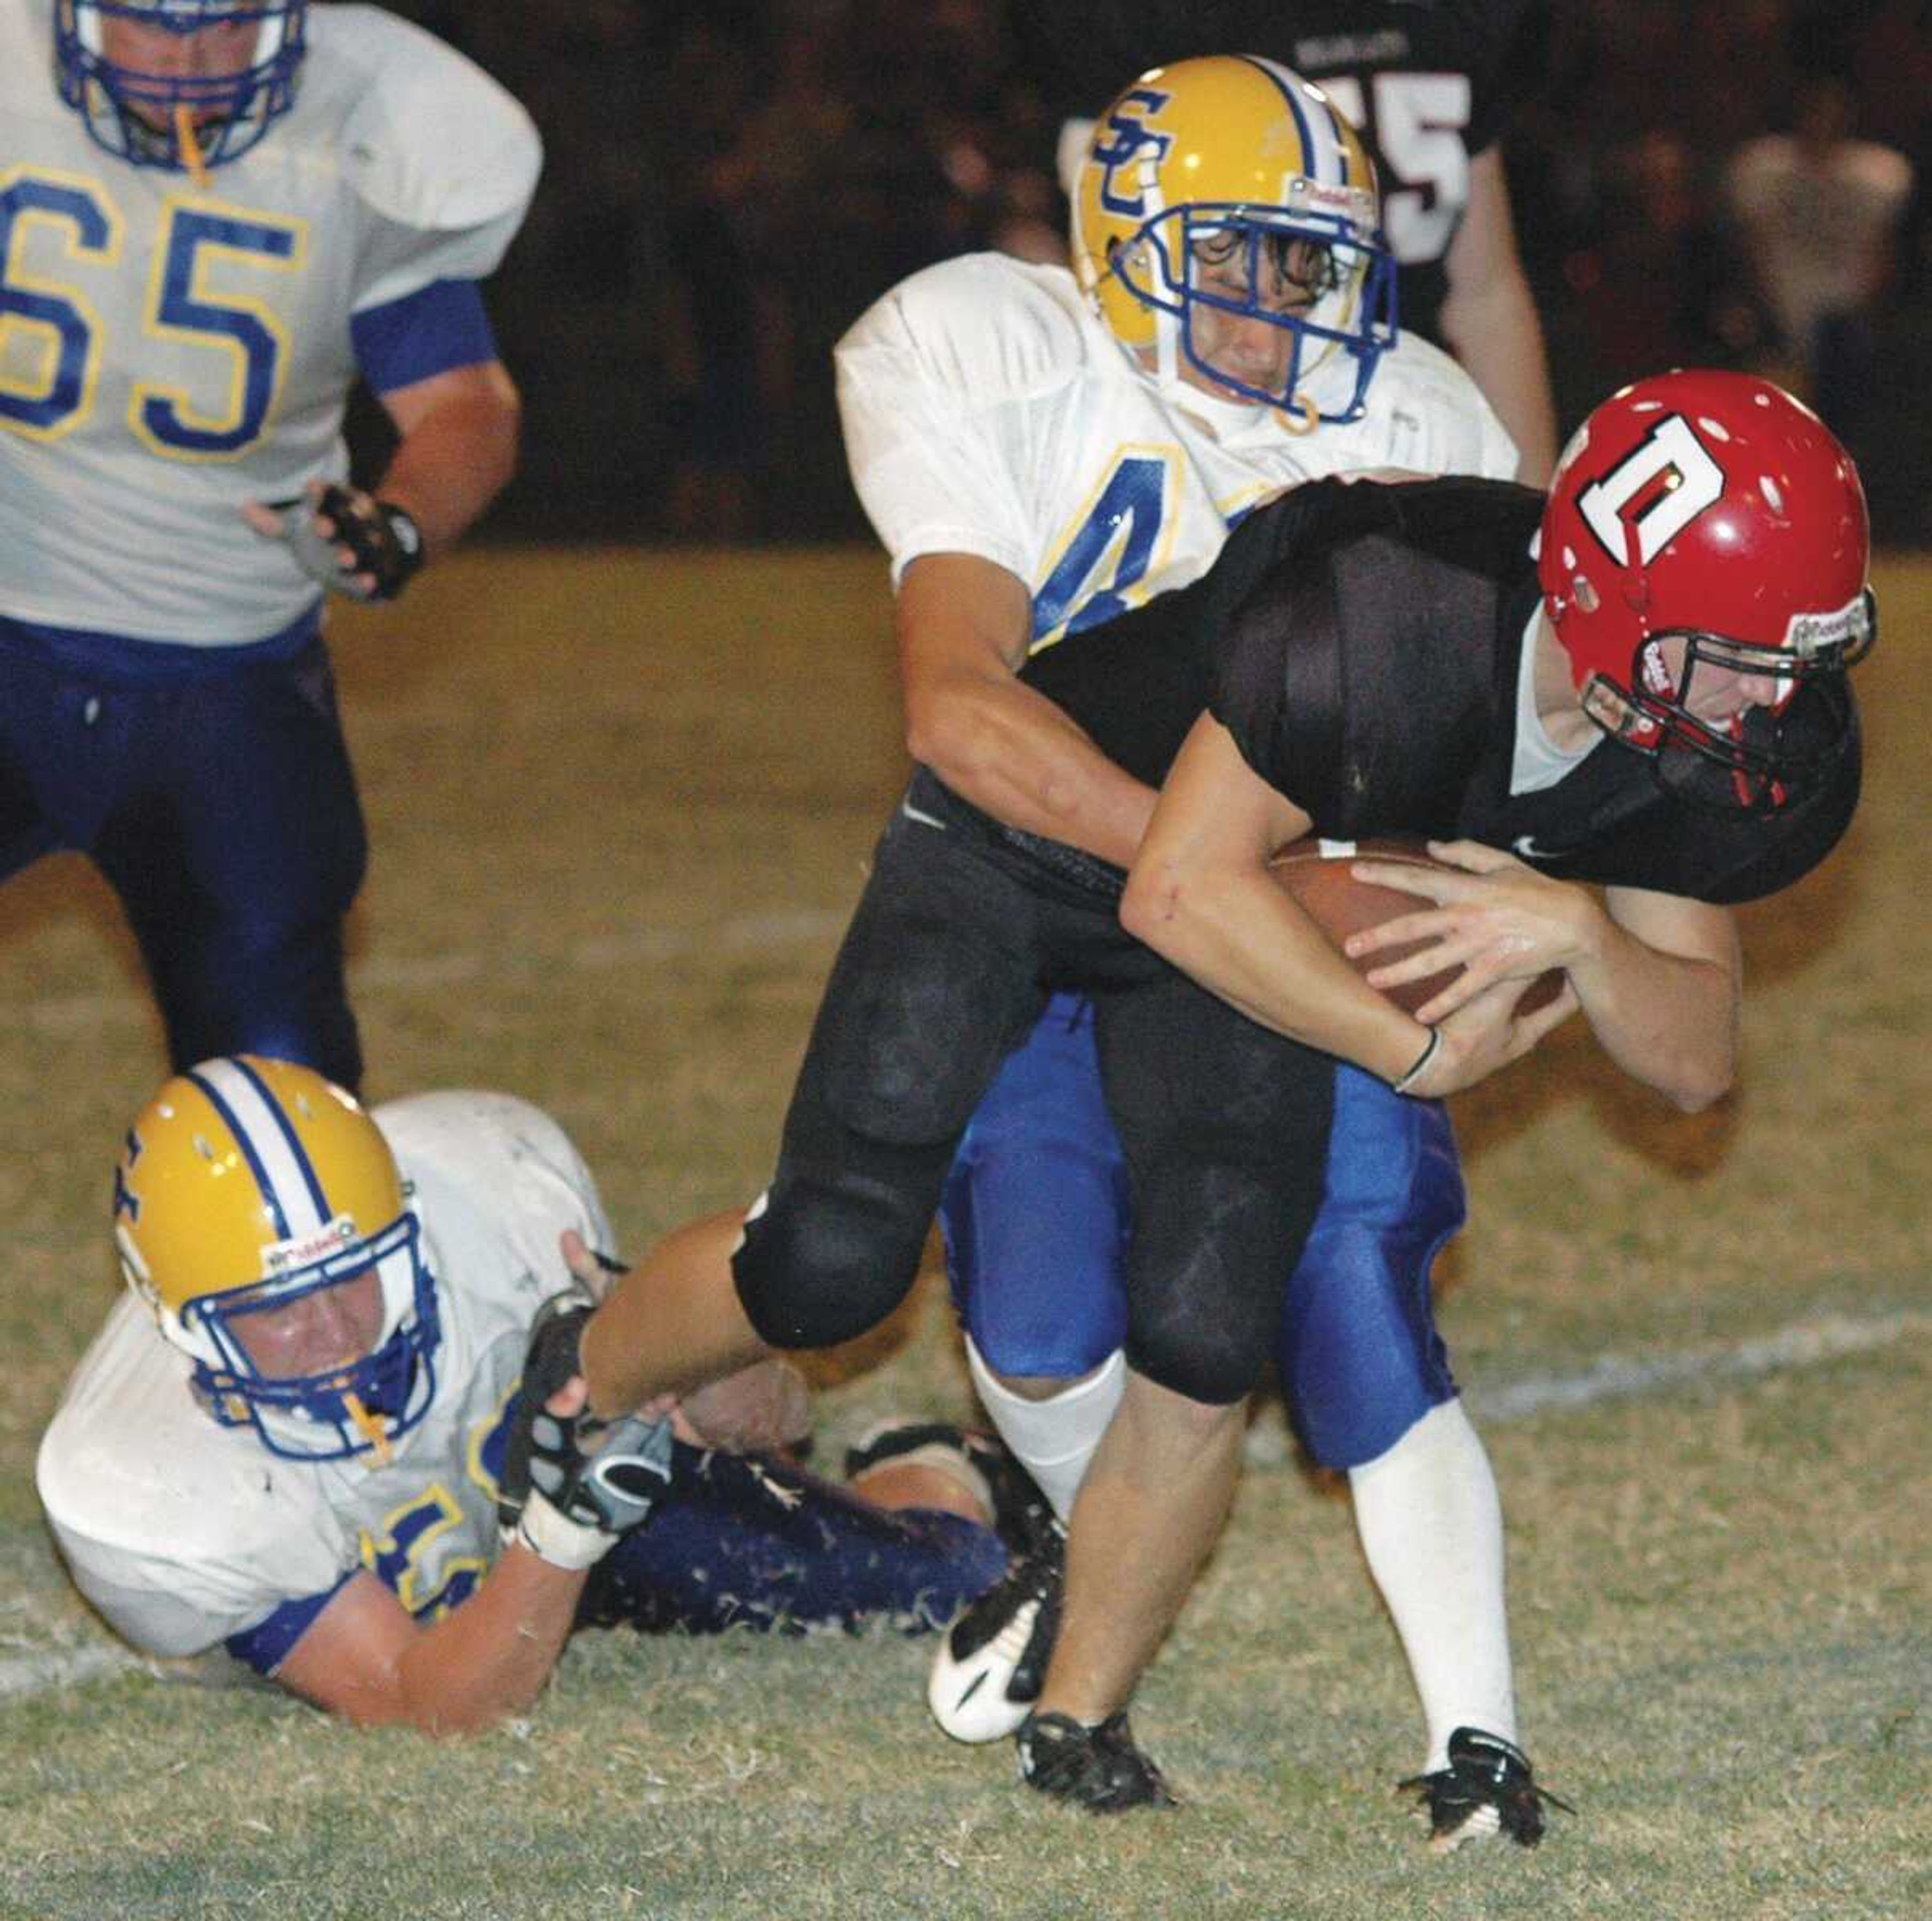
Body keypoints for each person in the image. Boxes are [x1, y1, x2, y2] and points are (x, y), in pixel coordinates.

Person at [545, 55, 1533, 1826]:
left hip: (1208, 903)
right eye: (1235, 257)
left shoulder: (1420, 421)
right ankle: (584, 1368)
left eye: (1311, 263)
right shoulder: (990, 346)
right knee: (847, 1260)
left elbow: (1442, 760)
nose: (1277, 305)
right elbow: (964, 715)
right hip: (1009, 857)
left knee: (1219, 1306)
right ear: (1125, 245)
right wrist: (1227, 866)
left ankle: (1103, 1663)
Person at [36, 1055, 1024, 1731]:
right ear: (182, 1322)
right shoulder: (141, 1479)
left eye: (356, 1276)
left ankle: (936, 1459)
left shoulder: (490, 1188)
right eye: (279, 1310)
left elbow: (777, 1419)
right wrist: (563, 1533)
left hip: (521, 1437)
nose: (335, 1329)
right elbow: (426, 1702)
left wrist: (691, 1378)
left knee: (941, 1579)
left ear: (407, 1228)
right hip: (434, 1569)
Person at [1, 1, 540, 1094]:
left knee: (284, 1101)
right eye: (155, 28)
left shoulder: (371, 117)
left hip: (222, 680)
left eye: (229, 29)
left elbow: (465, 406)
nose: (192, 66)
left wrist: (399, 521)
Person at [1016, 0, 1559, 482]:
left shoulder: (1459, 19)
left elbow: (1486, 296)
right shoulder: (1143, 21)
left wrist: (1531, 533)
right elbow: (1109, 266)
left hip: (1397, 417)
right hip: (1205, 426)